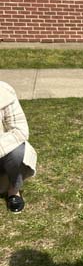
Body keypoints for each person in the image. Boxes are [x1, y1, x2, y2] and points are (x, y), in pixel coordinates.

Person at [0, 81, 37, 212]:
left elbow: (20, 131)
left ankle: (14, 190)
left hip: (2, 154)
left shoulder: (4, 91)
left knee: (18, 152)